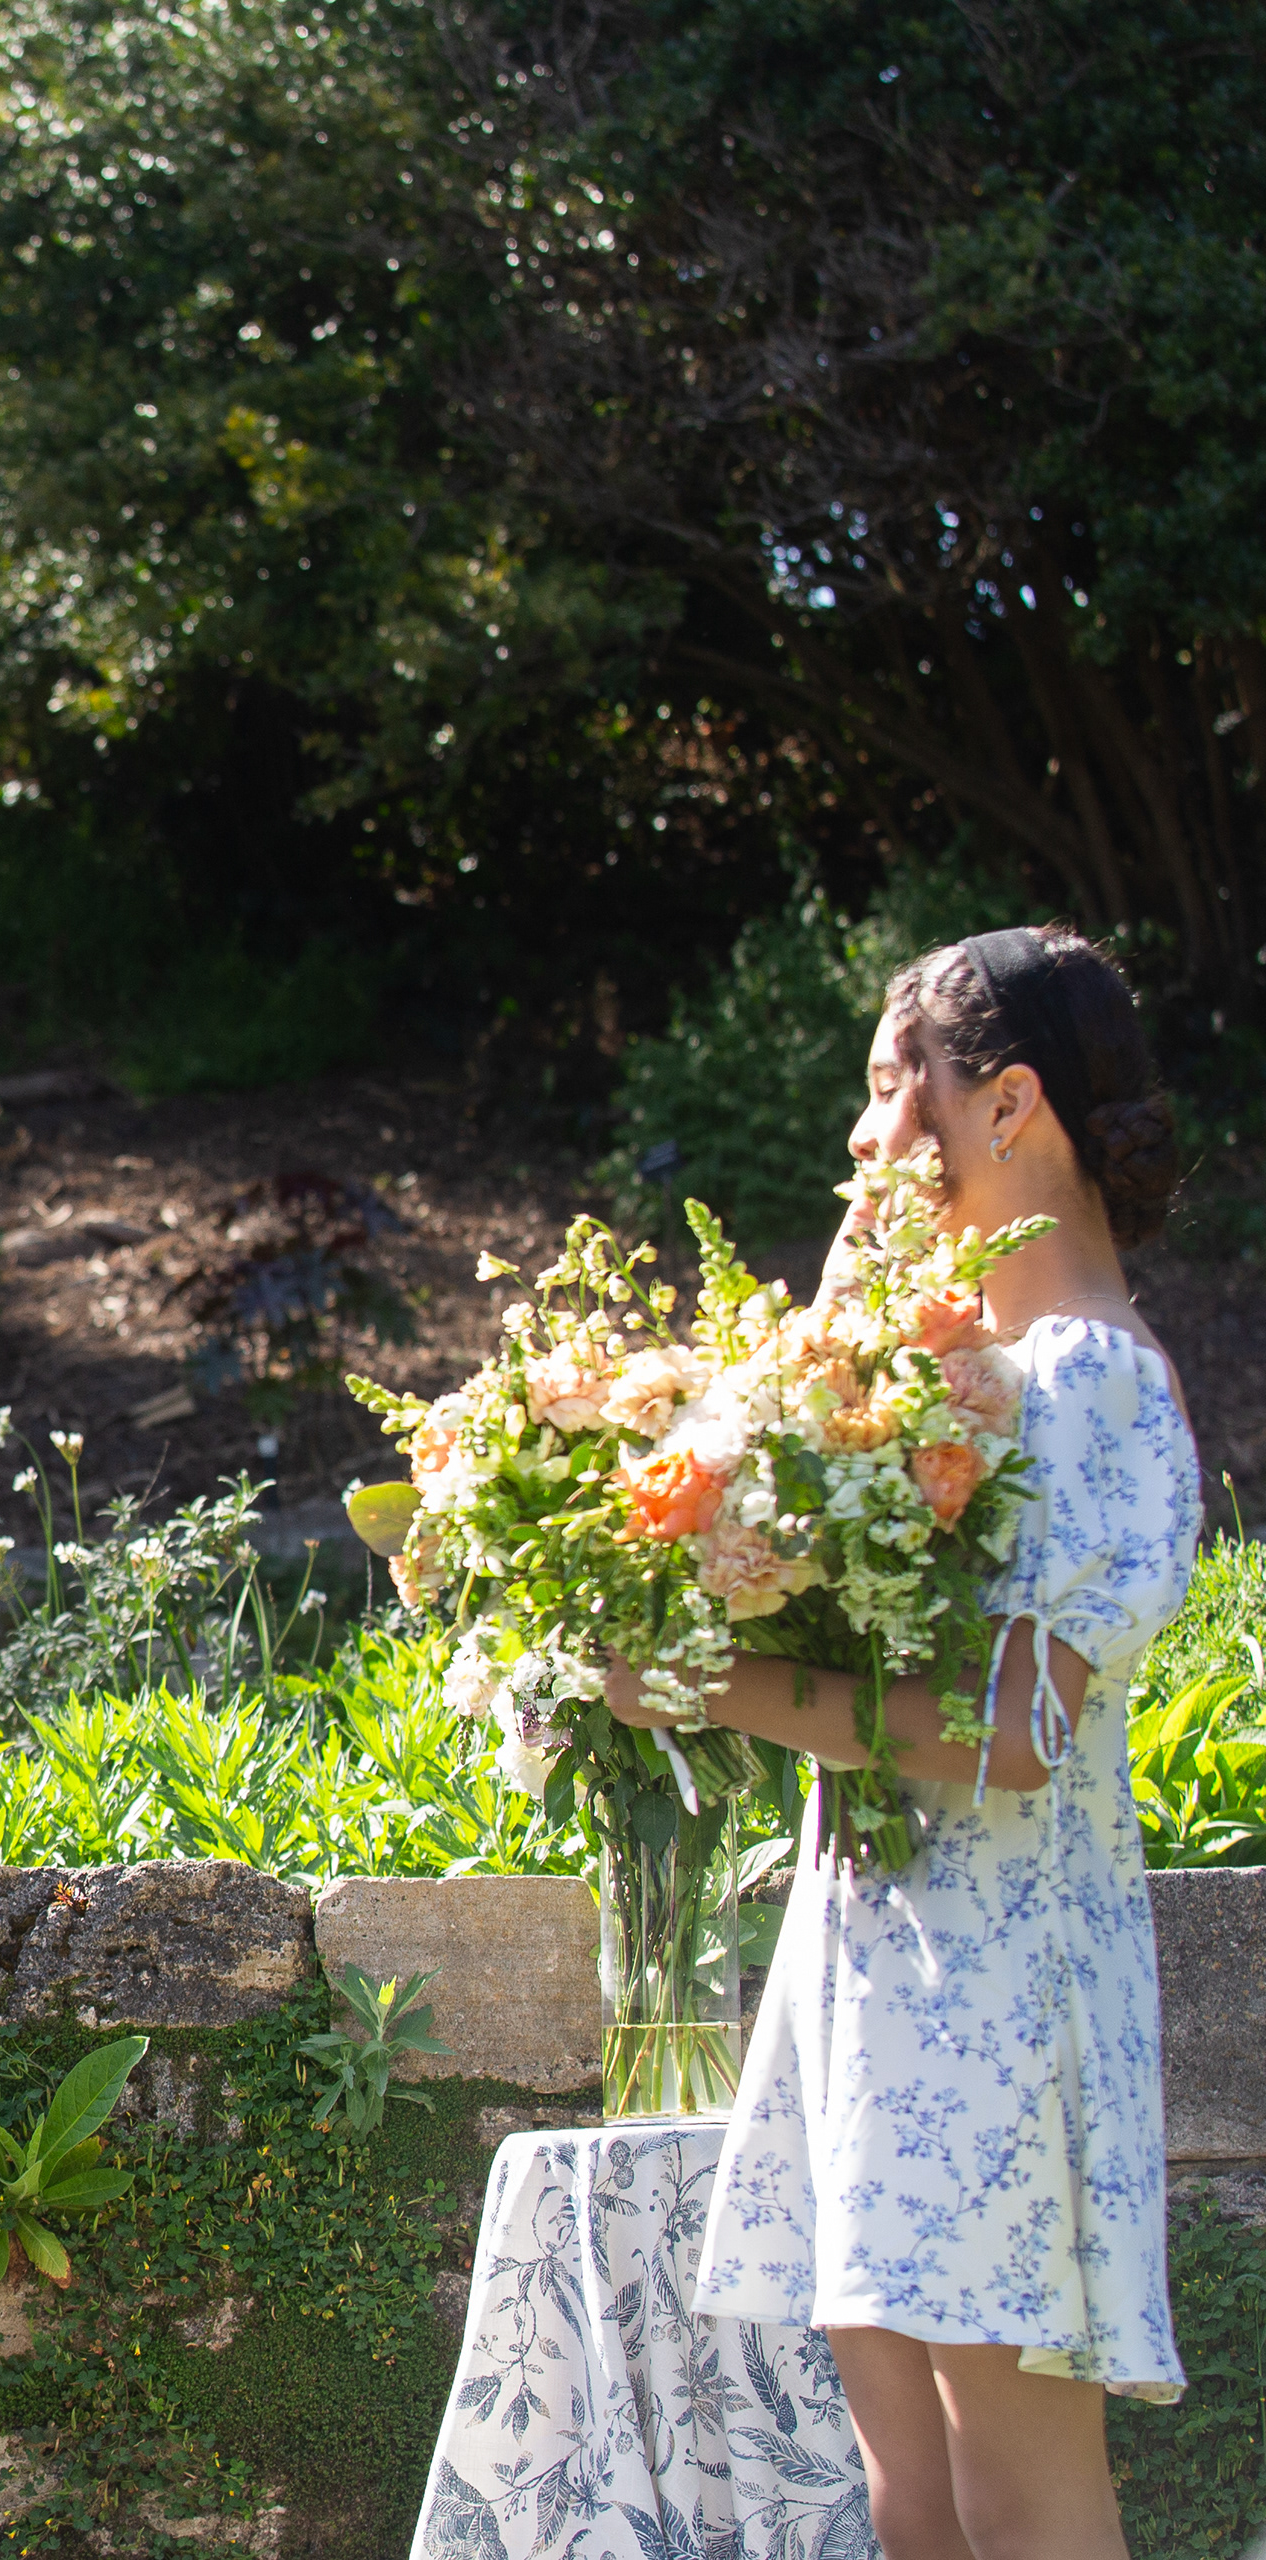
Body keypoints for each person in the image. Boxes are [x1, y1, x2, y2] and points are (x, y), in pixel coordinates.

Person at [606, 925, 1196, 2560]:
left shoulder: (1089, 1381)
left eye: (893, 1089)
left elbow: (1017, 1734)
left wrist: (701, 1680)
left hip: (1004, 1990)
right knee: (913, 2501)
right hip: (883, 1964)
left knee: (1017, 2502)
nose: (865, 1136)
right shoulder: (945, 1381)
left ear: (1009, 1105)